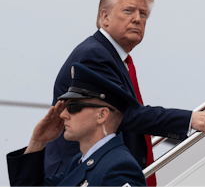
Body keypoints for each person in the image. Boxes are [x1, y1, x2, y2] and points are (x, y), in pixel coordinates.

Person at [46, 0, 205, 186]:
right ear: (104, 17)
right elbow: (124, 113)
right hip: (80, 173)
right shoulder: (94, 55)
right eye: (128, 10)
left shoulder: (111, 56)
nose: (137, 19)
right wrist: (189, 119)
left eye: (143, 14)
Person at [7, 63, 146, 187]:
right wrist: (37, 142)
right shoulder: (79, 162)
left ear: (101, 115)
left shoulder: (119, 169)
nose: (63, 115)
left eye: (73, 107)